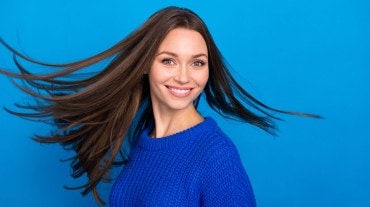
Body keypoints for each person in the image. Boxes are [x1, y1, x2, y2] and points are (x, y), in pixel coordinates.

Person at [0, 6, 319, 206]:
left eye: (197, 63)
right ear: (145, 65)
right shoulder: (145, 140)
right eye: (168, 60)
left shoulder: (215, 155)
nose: (184, 77)